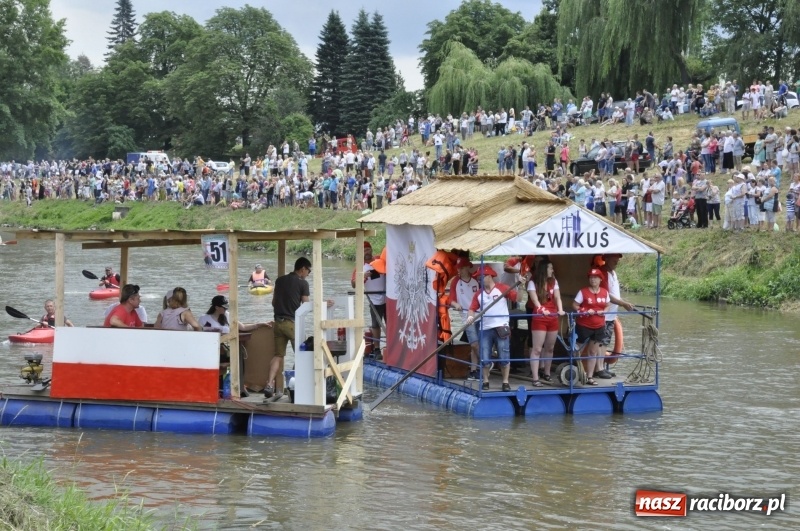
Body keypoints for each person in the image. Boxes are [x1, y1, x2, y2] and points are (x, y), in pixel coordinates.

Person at [264, 257, 311, 398]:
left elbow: (273, 302)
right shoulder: (303, 283)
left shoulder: (280, 280)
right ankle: (300, 384)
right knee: (303, 353)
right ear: (303, 269)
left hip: (278, 323)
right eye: (308, 271)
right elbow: (306, 306)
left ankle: (269, 384)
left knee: (278, 355)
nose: (308, 274)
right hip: (291, 323)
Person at [465, 265, 517, 392]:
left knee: (504, 355)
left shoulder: (502, 288)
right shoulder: (479, 293)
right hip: (485, 329)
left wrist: (520, 286)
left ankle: (505, 382)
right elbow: (472, 308)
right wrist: (470, 316)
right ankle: (485, 381)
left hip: (501, 326)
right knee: (484, 357)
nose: (479, 280)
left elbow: (517, 298)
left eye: (481, 277)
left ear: (488, 276)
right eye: (478, 278)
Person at [595, 254, 635, 378]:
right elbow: (606, 294)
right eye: (614, 261)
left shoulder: (613, 273)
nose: (616, 263)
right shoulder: (603, 273)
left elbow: (614, 294)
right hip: (604, 314)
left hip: (611, 315)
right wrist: (623, 303)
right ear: (606, 260)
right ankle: (598, 368)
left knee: (605, 341)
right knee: (600, 342)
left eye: (617, 261)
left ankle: (601, 367)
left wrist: (624, 302)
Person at [526, 259, 564, 387]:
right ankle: (535, 377)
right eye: (550, 268)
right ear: (544, 269)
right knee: (537, 348)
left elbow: (557, 297)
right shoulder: (533, 282)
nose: (552, 270)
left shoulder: (554, 281)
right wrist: (542, 309)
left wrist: (560, 309)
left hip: (552, 317)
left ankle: (547, 373)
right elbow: (535, 300)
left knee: (550, 347)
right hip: (540, 317)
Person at [572, 269, 611, 386]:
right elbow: (574, 305)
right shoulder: (583, 292)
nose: (593, 279)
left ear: (600, 279)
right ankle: (576, 372)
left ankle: (590, 377)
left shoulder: (605, 292)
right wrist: (584, 310)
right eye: (591, 277)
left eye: (595, 277)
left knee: (593, 351)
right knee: (577, 350)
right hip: (584, 325)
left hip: (599, 326)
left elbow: (608, 305)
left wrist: (604, 311)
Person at [351, 242, 386, 357]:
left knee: (391, 323)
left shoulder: (379, 260)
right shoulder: (359, 268)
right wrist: (363, 276)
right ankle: (377, 349)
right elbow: (354, 284)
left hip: (387, 297)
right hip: (374, 299)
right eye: (364, 250)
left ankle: (392, 347)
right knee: (375, 324)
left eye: (368, 249)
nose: (367, 252)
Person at [448, 257, 480, 380]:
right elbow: (451, 299)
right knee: (474, 344)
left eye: (461, 268)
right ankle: (486, 361)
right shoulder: (455, 281)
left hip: (479, 314)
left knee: (476, 343)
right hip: (466, 316)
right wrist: (456, 304)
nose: (459, 271)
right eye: (458, 268)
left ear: (467, 268)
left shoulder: (476, 279)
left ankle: (474, 370)